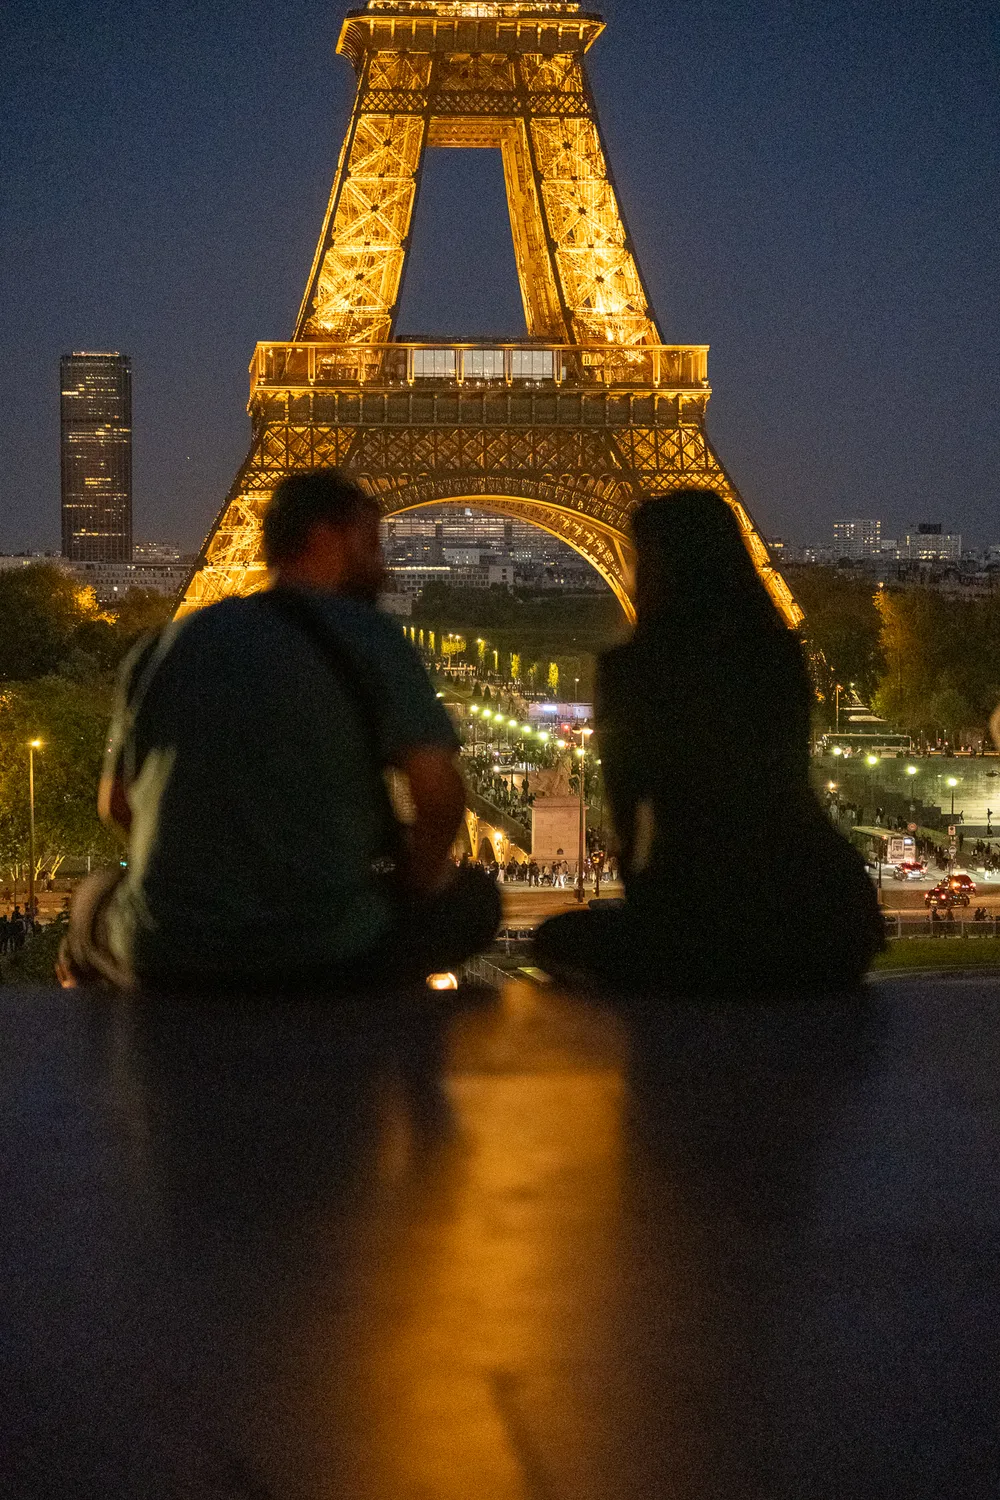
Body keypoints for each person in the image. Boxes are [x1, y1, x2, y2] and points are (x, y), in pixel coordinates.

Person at [59, 468, 501, 993]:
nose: (382, 563)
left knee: (92, 897)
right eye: (370, 543)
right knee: (475, 900)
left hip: (173, 954)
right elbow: (439, 798)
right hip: (325, 953)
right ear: (325, 538)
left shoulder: (161, 647)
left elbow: (116, 806)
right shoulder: (370, 637)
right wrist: (407, 884)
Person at [534, 490, 884, 995]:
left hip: (704, 919)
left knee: (558, 938)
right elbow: (788, 778)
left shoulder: (631, 670)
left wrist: (653, 920)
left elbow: (630, 831)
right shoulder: (778, 656)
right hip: (826, 919)